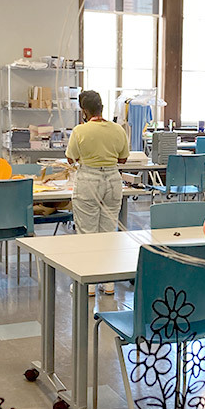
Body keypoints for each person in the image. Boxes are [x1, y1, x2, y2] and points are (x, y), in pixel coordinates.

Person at [66, 90, 129, 296]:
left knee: (87, 235)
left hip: (88, 181)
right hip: (112, 180)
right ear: (101, 107)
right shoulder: (118, 129)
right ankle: (108, 283)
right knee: (108, 234)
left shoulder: (80, 131)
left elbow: (70, 158)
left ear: (84, 110)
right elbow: (123, 160)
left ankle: (89, 285)